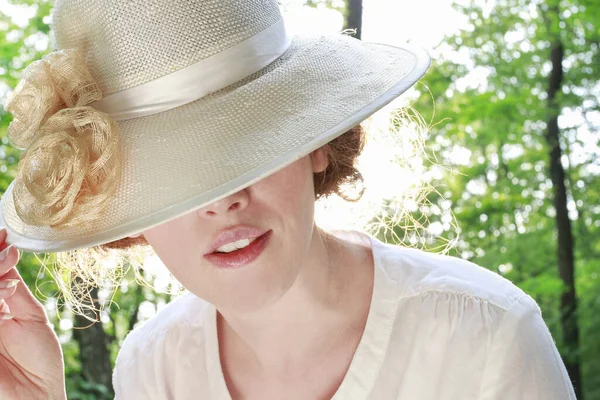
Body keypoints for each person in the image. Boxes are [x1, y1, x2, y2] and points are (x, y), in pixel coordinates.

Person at [0, 0, 577, 399]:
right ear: (129, 214)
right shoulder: (153, 367)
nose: (223, 199)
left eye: (247, 145)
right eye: (175, 174)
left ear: (316, 147)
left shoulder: (486, 337)